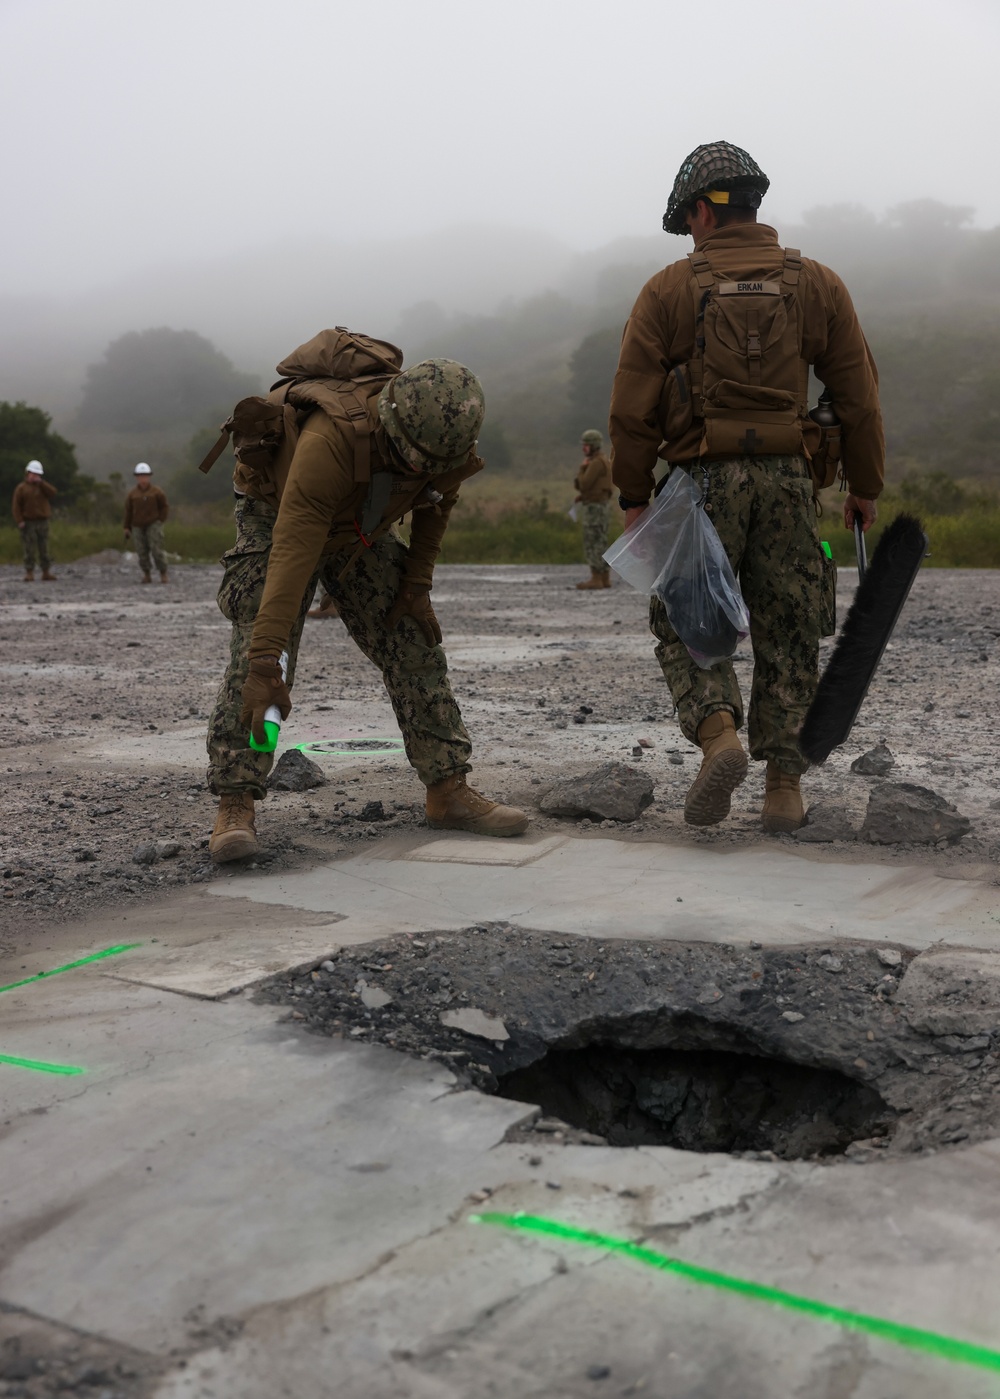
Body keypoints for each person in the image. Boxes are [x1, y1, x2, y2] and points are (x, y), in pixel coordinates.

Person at [610, 141, 884, 834]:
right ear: (755, 204)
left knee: (687, 618)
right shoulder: (816, 282)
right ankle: (783, 787)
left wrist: (633, 496)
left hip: (699, 482)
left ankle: (719, 736)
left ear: (702, 211)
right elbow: (857, 394)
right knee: (791, 627)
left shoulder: (668, 289)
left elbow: (631, 406)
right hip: (792, 483)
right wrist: (865, 485)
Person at [206, 331, 530, 862]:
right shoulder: (329, 444)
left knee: (411, 638)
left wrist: (417, 586)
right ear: (391, 424)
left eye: (435, 462)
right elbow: (293, 548)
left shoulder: (445, 436)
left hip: (361, 520)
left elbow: (434, 503)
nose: (427, 468)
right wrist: (268, 655)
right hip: (281, 515)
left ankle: (447, 789)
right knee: (264, 659)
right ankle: (237, 800)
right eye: (416, 458)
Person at [573, 428, 614, 590]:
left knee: (593, 542)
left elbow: (584, 483)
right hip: (600, 506)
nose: (584, 449)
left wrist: (583, 468)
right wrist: (583, 497)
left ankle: (596, 578)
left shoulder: (596, 463)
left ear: (594, 446)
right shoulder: (603, 460)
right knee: (601, 541)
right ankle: (605, 578)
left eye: (586, 446)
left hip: (595, 509)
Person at [123, 463, 170, 583]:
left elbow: (164, 506)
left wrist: (160, 520)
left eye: (145, 475)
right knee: (141, 551)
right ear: (137, 477)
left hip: (153, 523)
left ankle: (163, 572)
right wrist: (126, 527)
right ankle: (146, 573)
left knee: (156, 549)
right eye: (140, 476)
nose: (143, 478)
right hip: (137, 525)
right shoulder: (132, 494)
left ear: (149, 477)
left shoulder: (157, 492)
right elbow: (128, 511)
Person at [12, 461, 57, 582]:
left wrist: (42, 483)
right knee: (29, 548)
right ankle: (29, 572)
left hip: (43, 521)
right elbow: (16, 506)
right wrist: (19, 521)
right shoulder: (21, 488)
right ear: (28, 473)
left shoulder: (43, 487)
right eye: (33, 473)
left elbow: (53, 493)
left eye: (37, 474)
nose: (35, 476)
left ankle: (46, 572)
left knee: (44, 548)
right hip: (28, 522)